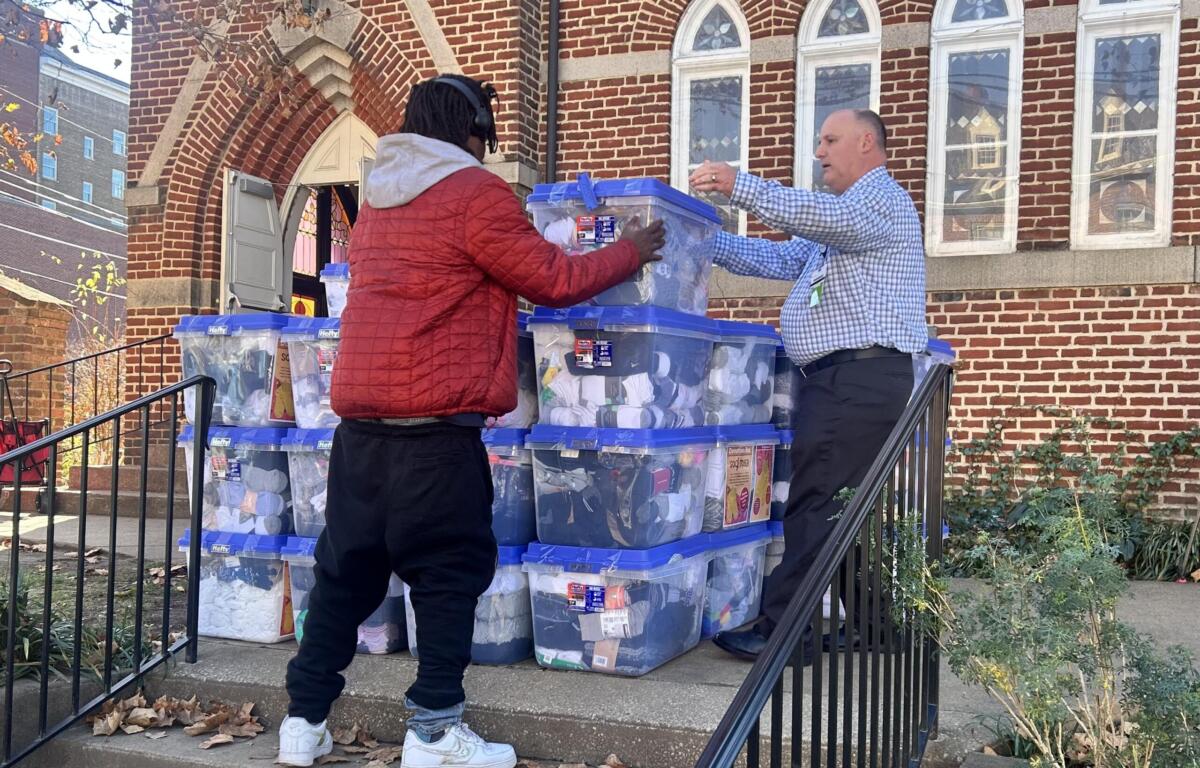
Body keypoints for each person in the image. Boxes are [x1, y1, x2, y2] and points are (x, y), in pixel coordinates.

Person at [277, 74, 665, 768]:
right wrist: (631, 249)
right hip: (435, 431)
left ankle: (302, 725)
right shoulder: (474, 193)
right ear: (472, 131)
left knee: (344, 576)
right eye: (488, 136)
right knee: (448, 576)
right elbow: (553, 280)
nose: (489, 150)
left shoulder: (379, 204)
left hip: (359, 433)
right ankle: (433, 733)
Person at [689, 108, 927, 663]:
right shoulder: (837, 229)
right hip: (847, 381)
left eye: (830, 140)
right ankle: (874, 625)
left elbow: (821, 217)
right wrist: (703, 239)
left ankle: (784, 632)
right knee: (840, 505)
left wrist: (739, 185)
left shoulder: (879, 201)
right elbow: (776, 256)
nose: (819, 152)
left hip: (857, 378)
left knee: (815, 503)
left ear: (866, 143)